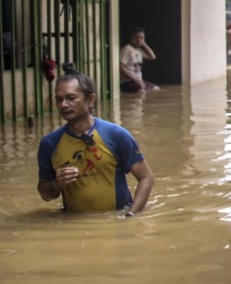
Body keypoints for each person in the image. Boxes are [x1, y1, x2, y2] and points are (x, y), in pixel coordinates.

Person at [37, 62, 155, 215]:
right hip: (75, 226)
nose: (64, 105)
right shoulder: (50, 144)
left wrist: (131, 216)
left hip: (116, 224)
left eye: (71, 98)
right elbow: (45, 194)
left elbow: (146, 178)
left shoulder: (116, 135)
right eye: (59, 100)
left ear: (91, 99)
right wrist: (56, 184)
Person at [119, 27, 159, 93]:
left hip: (139, 81)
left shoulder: (138, 50)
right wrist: (135, 79)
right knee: (142, 92)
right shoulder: (127, 49)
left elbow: (152, 57)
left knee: (156, 89)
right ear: (130, 37)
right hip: (127, 82)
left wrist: (144, 44)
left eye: (141, 38)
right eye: (136, 37)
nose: (138, 40)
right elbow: (121, 68)